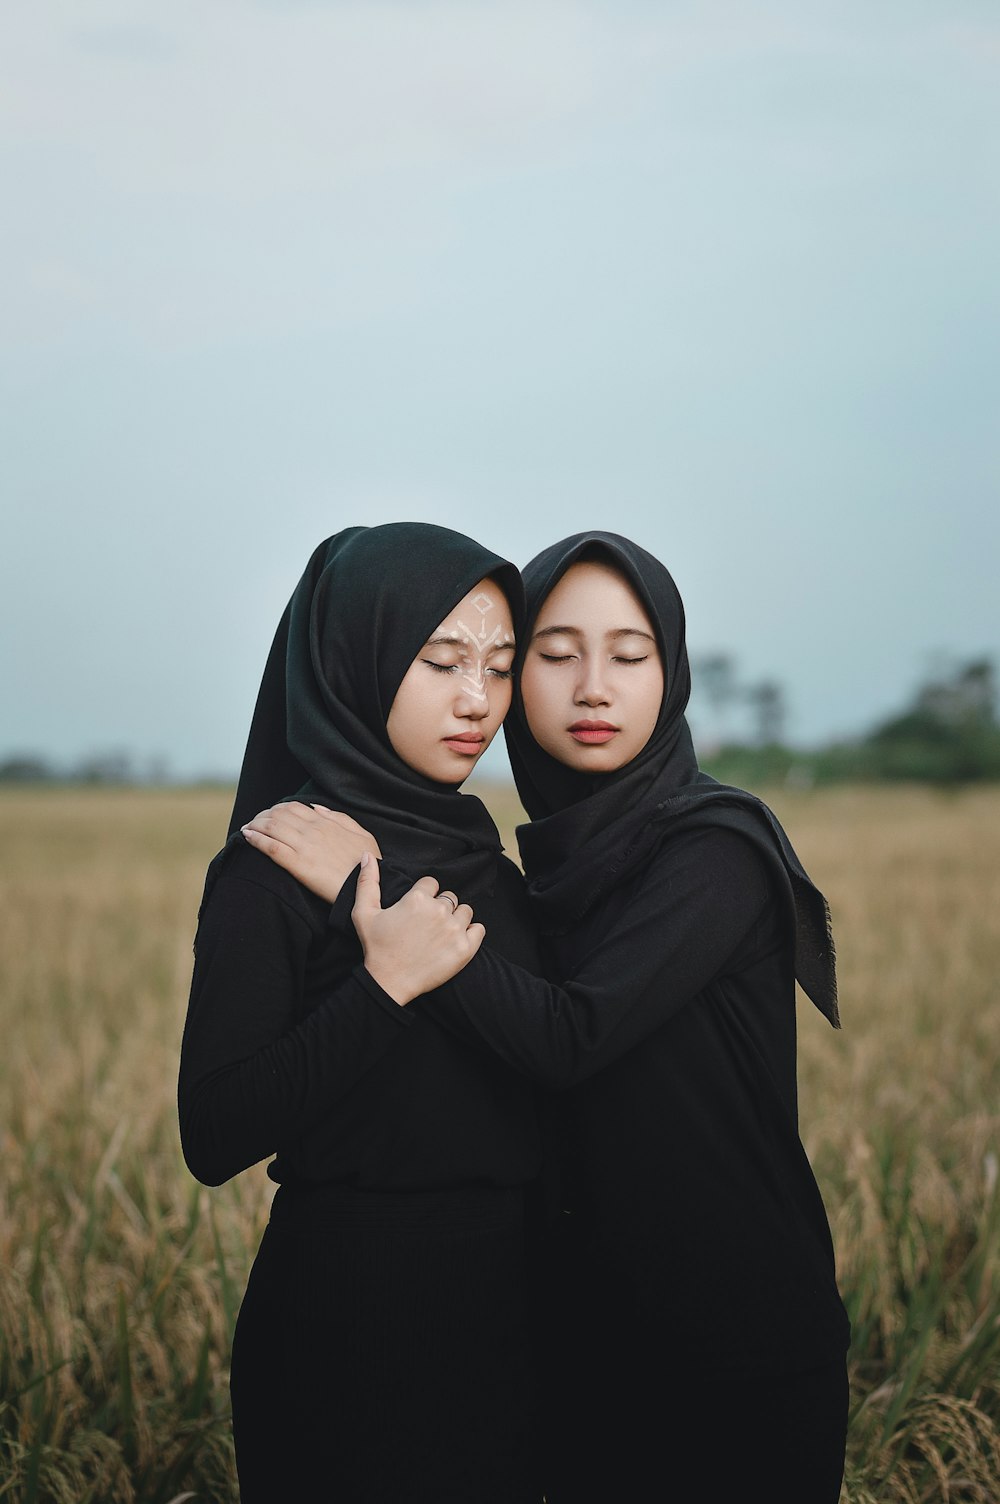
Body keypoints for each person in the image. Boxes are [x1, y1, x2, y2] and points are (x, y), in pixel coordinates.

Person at [246, 530, 852, 1504]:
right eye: (555, 653)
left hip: (734, 1344)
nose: (593, 688)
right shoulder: (545, 869)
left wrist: (379, 885)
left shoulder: (714, 851)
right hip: (577, 1349)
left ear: (673, 672)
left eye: (629, 653)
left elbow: (567, 1037)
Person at [177, 523, 546, 1504]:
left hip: (511, 1318)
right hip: (348, 1321)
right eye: (440, 661)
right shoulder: (278, 862)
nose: (478, 699)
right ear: (356, 657)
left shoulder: (493, 864)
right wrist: (381, 987)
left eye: (500, 667)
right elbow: (213, 1131)